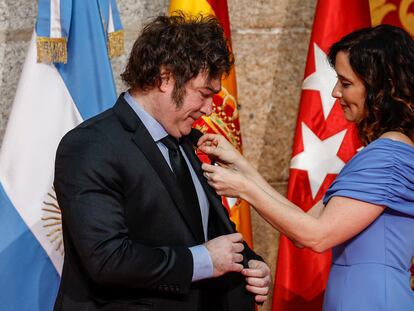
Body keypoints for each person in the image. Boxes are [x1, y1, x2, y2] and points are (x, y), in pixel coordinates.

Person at [53, 14, 270, 311]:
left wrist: (251, 264)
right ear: (165, 77)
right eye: (204, 94)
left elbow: (211, 232)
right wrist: (204, 260)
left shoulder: (190, 142)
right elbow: (107, 259)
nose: (208, 109)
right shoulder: (90, 145)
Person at [199, 24, 414, 310]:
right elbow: (303, 224)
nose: (336, 92)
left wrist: (244, 187)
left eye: (346, 83)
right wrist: (241, 165)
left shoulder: (388, 155)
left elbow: (316, 235)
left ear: (380, 88)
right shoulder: (388, 151)